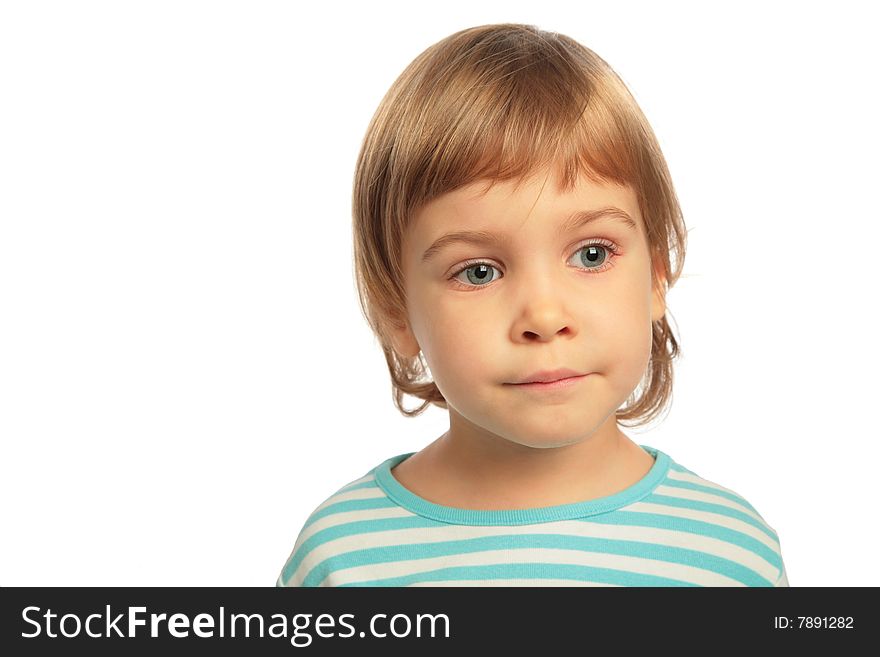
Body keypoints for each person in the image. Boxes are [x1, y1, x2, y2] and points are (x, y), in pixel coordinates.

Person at [276, 23, 788, 587]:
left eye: (592, 255)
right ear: (396, 311)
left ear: (657, 276)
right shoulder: (341, 557)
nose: (544, 318)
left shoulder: (730, 553)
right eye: (478, 271)